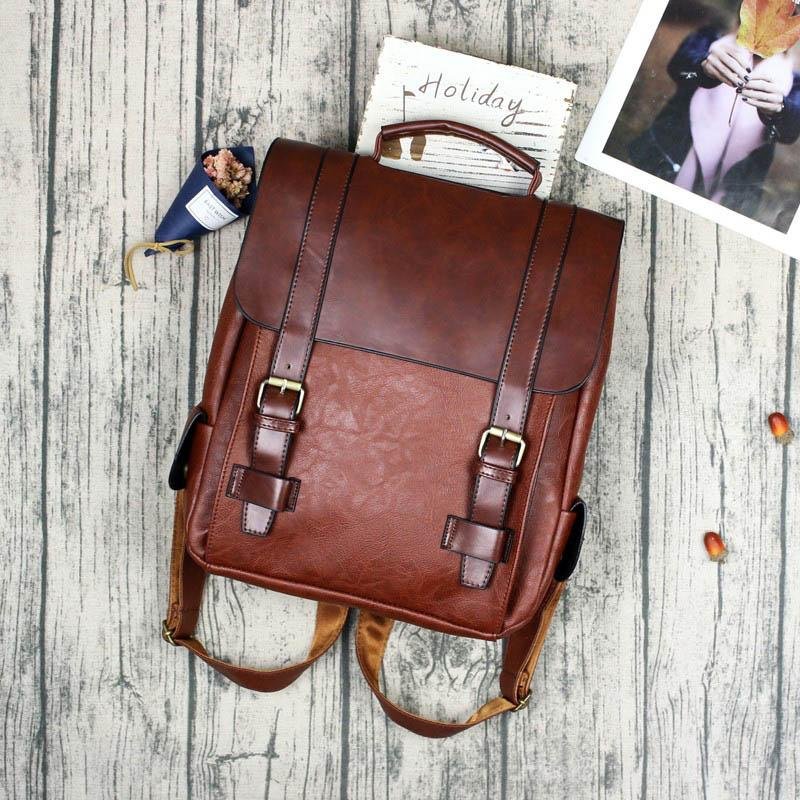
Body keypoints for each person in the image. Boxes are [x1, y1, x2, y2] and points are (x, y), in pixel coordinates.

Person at [629, 25, 800, 219]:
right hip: (669, 165)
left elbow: (791, 130)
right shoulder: (709, 40)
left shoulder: (793, 81)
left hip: (732, 194)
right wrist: (703, 65)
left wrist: (781, 108)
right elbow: (678, 66)